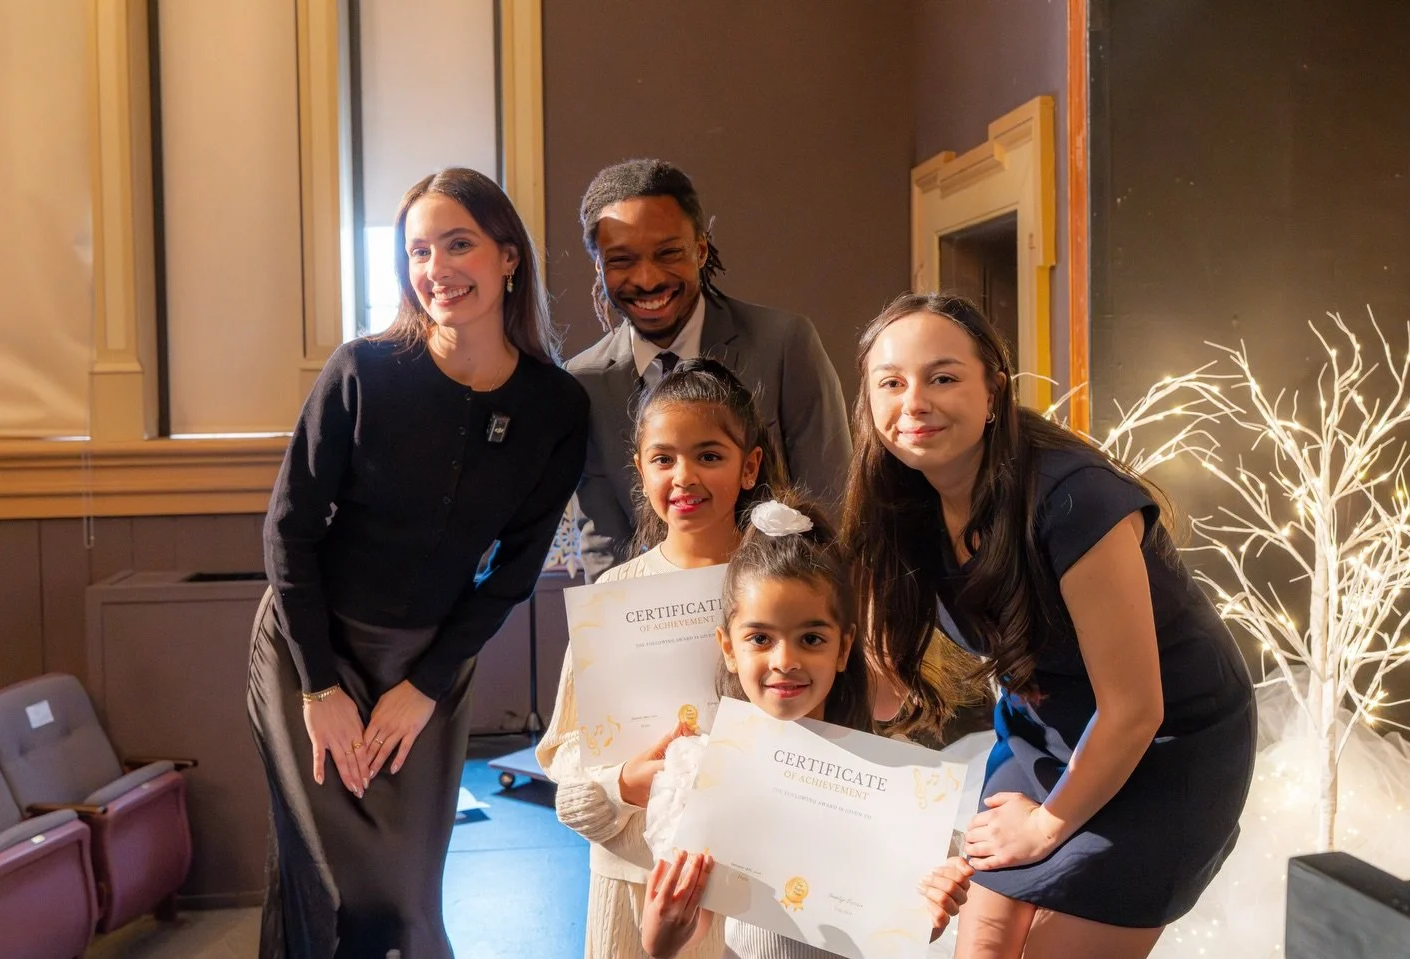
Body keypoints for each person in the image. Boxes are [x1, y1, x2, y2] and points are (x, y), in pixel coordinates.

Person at [843, 293, 1257, 959]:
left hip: (1164, 745)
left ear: (994, 391)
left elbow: (1135, 708)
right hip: (1046, 729)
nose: (913, 402)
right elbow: (885, 691)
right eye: (890, 382)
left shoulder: (1073, 498)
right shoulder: (899, 504)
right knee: (982, 949)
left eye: (942, 377)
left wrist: (1045, 827)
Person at [247, 167, 588, 958]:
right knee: (332, 883)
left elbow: (515, 569)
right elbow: (287, 532)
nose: (436, 269)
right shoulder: (364, 370)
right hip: (310, 651)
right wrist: (320, 684)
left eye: (458, 244)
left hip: (428, 669)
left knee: (404, 898)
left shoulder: (555, 407)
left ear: (509, 256)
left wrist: (425, 685)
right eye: (419, 250)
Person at [639, 495, 974, 958]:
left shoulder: (895, 784)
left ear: (843, 648)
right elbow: (692, 925)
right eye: (760, 638)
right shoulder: (702, 773)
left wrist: (922, 918)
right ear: (729, 648)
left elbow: (898, 929)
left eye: (811, 639)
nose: (785, 661)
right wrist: (662, 936)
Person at [536, 357, 787, 958]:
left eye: (709, 455)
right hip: (636, 878)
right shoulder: (614, 595)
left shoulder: (782, 585)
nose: (684, 477)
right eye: (663, 458)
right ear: (640, 468)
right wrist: (624, 783)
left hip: (750, 877)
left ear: (750, 465)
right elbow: (566, 750)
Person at [566, 158, 851, 580]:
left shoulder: (785, 344)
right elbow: (604, 540)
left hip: (777, 612)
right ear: (600, 267)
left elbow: (832, 503)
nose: (646, 279)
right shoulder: (584, 381)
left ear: (700, 249)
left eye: (668, 253)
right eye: (622, 260)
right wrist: (616, 630)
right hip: (653, 625)